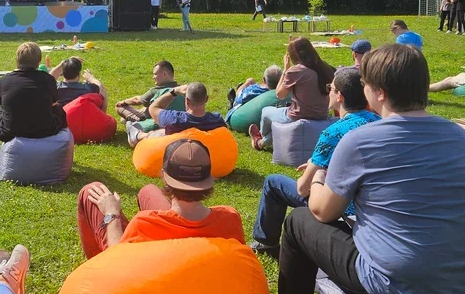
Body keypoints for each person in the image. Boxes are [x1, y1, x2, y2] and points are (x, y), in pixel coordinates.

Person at [264, 44, 465, 294]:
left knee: (298, 222)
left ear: (380, 93)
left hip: (397, 283)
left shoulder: (360, 141)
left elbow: (322, 211)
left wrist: (320, 177)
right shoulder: (457, 136)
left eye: (365, 84)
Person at [251, 66, 379, 254]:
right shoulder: (377, 121)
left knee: (273, 183)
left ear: (340, 96)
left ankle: (266, 242)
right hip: (370, 208)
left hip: (341, 209)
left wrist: (316, 169)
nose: (328, 93)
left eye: (331, 88)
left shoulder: (333, 133)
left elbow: (303, 188)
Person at [75, 139, 244, 259]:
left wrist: (112, 214)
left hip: (146, 285)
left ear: (164, 176)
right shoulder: (230, 218)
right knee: (148, 191)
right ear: (209, 179)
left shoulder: (145, 224)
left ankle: (94, 267)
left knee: (91, 190)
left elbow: (117, 260)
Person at [0, 42, 66, 167]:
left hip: (11, 131)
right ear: (38, 61)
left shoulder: (5, 80)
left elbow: (2, 104)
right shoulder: (48, 79)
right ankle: (63, 151)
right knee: (60, 109)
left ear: (17, 60)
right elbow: (54, 103)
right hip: (45, 129)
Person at [249, 37, 333, 151]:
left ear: (293, 55)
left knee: (266, 112)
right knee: (280, 126)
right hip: (322, 115)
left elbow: (280, 94)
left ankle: (261, 138)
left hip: (298, 115)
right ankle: (260, 142)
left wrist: (285, 70)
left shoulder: (296, 70)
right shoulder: (324, 67)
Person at [129, 81, 225, 147]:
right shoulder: (217, 120)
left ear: (187, 100)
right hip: (203, 156)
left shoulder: (173, 119)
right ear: (207, 99)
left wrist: (174, 92)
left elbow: (153, 108)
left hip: (177, 154)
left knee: (160, 132)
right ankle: (138, 135)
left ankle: (138, 135)